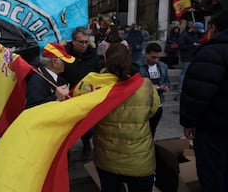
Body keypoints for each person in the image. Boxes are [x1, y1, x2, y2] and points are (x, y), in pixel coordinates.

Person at [73, 43, 160, 192]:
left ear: (106, 60)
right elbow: (153, 111)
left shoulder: (93, 83)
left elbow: (77, 104)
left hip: (107, 159)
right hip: (139, 160)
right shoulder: (146, 86)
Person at [180, 8, 228, 192]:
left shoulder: (213, 51)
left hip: (214, 128)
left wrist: (189, 121)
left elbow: (198, 92)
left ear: (214, 28)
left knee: (212, 177)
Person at [61, 26, 104, 156]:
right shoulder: (64, 55)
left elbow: (99, 74)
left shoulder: (93, 56)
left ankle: (86, 142)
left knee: (87, 127)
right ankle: (66, 149)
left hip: (87, 98)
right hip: (68, 97)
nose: (84, 45)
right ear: (73, 41)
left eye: (86, 42)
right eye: (81, 42)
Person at [25, 43, 74, 108]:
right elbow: (32, 107)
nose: (65, 63)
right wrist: (56, 97)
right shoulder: (37, 81)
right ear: (54, 62)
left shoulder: (60, 79)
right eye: (63, 60)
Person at [139, 42, 170, 137]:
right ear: (146, 54)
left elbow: (167, 81)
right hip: (143, 104)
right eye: (153, 57)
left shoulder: (163, 66)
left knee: (152, 131)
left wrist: (164, 87)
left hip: (158, 104)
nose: (156, 60)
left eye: (158, 57)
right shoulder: (138, 66)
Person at [176, 22, 201, 98]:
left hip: (193, 57)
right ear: (193, 28)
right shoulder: (184, 35)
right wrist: (192, 45)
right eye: (197, 30)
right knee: (184, 72)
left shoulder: (195, 35)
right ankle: (180, 88)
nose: (197, 32)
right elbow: (181, 46)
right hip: (186, 57)